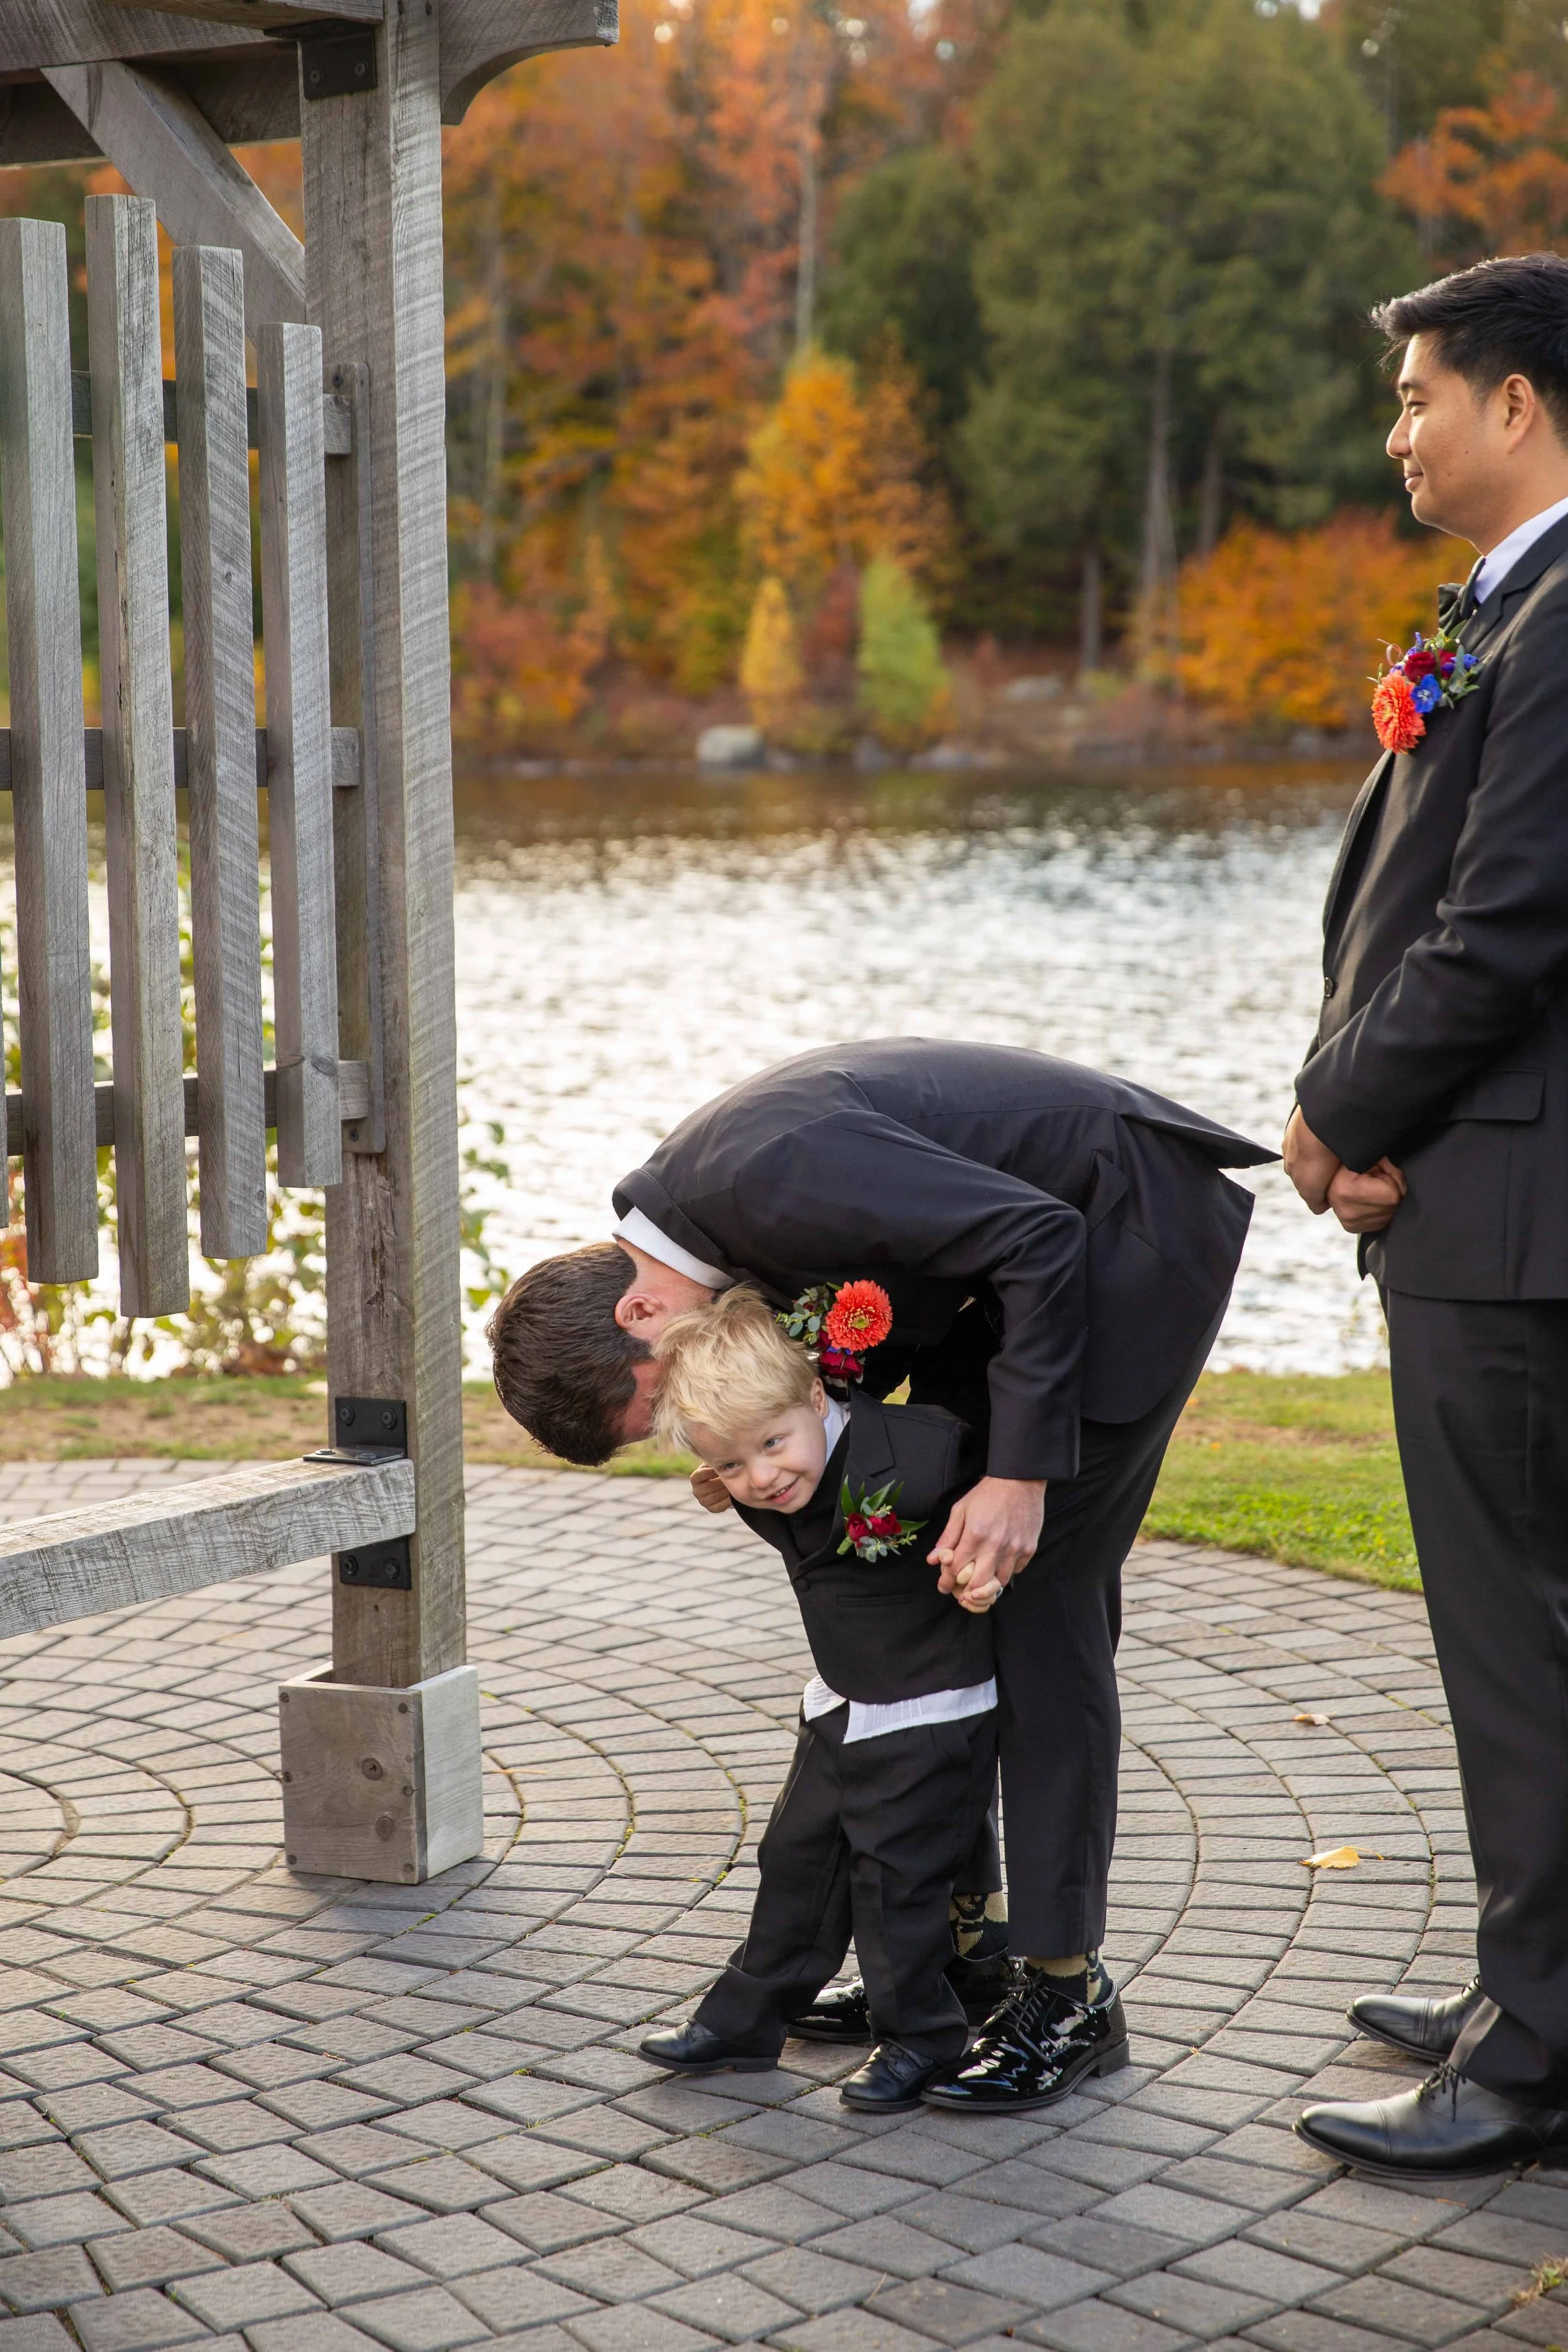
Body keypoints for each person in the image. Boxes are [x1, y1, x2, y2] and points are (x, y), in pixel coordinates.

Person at [490, 1038, 1273, 2111]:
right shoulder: (699, 1225)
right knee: (933, 1585)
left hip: (1122, 1237)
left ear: (637, 1316)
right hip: (1008, 1283)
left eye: (657, 1410)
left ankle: (1068, 1991)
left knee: (1040, 1603)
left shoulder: (765, 1176)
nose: (689, 1427)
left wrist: (1018, 1475)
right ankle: (957, 1957)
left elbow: (1040, 1232)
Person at [1285, 253, 1568, 2178]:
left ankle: (1530, 2058)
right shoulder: (1512, 607)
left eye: (1417, 398)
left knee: (1514, 1645)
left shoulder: (1563, 616)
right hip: (1481, 1188)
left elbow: (1501, 927)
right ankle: (1521, 1982)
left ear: (1520, 404)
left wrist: (1331, 1114)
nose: (1397, 433)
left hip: (1508, 1212)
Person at [635, 1288, 1067, 2111]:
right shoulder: (771, 1473)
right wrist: (725, 1478)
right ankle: (748, 2018)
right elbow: (787, 1498)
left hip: (928, 1709)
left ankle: (922, 2036)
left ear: (813, 1394)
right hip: (842, 1701)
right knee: (795, 1864)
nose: (761, 1476)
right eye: (731, 1463)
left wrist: (983, 1573)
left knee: (894, 1884)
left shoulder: (920, 1455)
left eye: (769, 1445)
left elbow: (998, 1513)